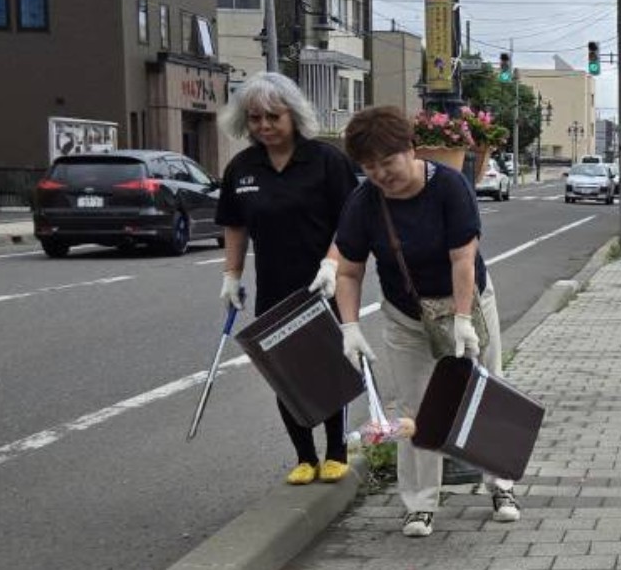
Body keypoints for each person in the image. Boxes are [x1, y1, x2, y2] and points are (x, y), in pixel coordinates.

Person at [333, 105, 520, 538]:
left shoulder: (449, 187)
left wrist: (461, 319)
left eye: (388, 161)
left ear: (411, 149)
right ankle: (419, 504)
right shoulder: (364, 203)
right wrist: (349, 327)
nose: (381, 173)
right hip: (406, 314)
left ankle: (501, 486)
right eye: (370, 166)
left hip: (467, 301)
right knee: (414, 406)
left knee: (484, 390)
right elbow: (349, 270)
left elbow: (463, 258)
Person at [215, 71, 358, 485]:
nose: (264, 126)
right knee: (285, 371)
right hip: (274, 286)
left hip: (323, 284)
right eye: (255, 118)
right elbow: (235, 226)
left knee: (327, 367)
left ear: (293, 115)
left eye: (272, 117)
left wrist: (332, 264)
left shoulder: (327, 161)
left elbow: (350, 223)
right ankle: (303, 455)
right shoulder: (242, 168)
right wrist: (231, 275)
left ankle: (336, 450)